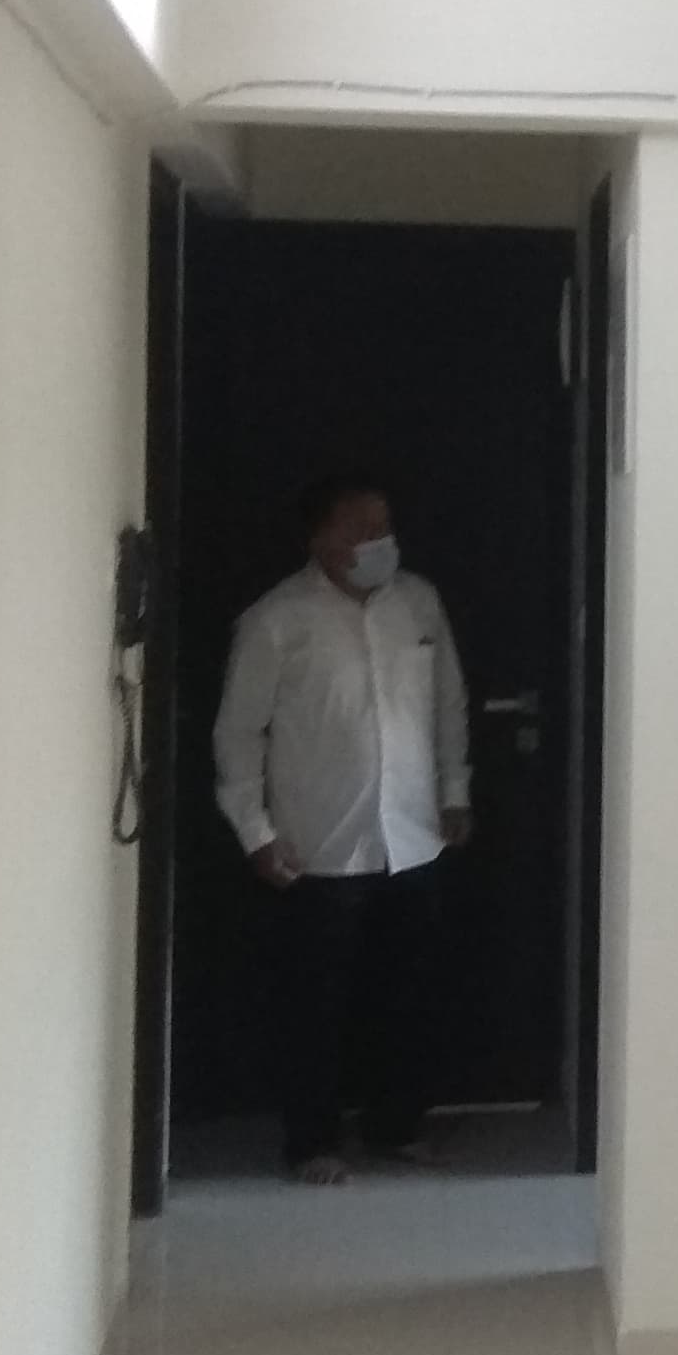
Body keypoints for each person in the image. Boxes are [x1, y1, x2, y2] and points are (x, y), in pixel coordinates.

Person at [213, 473, 472, 1183]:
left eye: (383, 526)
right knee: (315, 1004)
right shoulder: (277, 620)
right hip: (319, 841)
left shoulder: (418, 602)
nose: (378, 541)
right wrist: (255, 832)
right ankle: (312, 1143)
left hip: (414, 833)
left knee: (410, 992)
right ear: (320, 538)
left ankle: (396, 1126)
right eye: (360, 529)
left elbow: (448, 700)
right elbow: (238, 733)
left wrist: (455, 789)